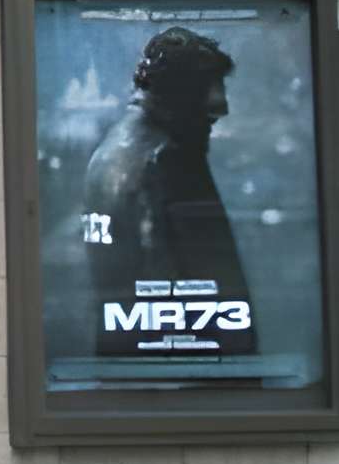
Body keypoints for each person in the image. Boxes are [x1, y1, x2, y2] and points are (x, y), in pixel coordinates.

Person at [76, 25, 251, 368]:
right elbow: (193, 280)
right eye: (212, 91)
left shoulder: (113, 151)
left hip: (136, 362)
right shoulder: (166, 158)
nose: (222, 107)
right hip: (182, 371)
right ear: (183, 94)